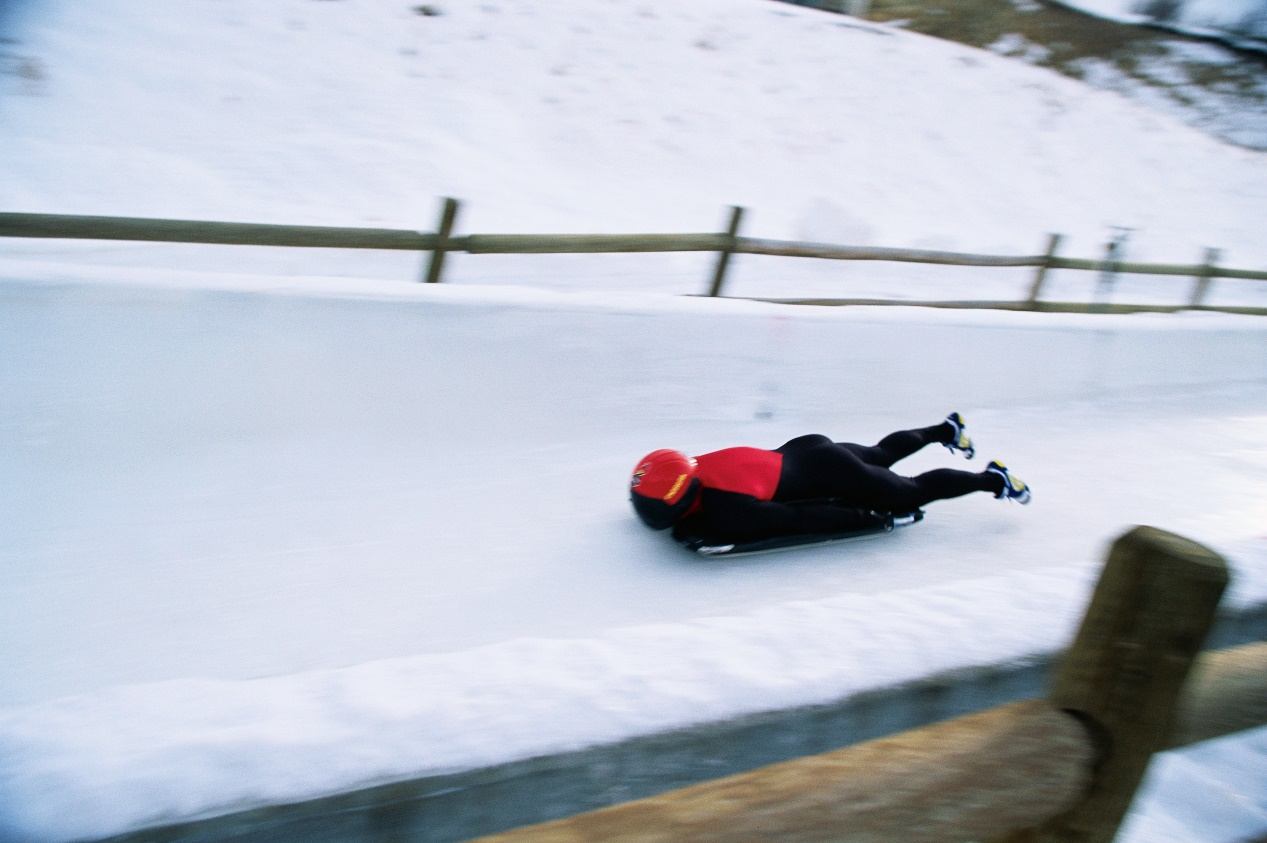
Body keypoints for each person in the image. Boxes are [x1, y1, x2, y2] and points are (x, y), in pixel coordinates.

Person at [629, 413, 1030, 544]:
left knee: (911, 493)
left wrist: (871, 518)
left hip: (830, 472)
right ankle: (947, 429)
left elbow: (801, 521)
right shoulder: (697, 464)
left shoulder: (727, 506)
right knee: (880, 454)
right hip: (805, 450)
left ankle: (991, 479)